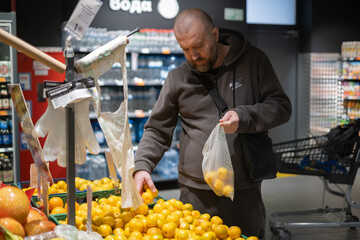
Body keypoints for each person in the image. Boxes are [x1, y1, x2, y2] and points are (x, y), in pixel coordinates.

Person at [133, 8, 292, 238]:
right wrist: (142, 165)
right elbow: (158, 129)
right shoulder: (177, 78)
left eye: (198, 46)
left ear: (215, 35)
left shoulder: (254, 61)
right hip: (195, 194)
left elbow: (281, 106)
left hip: (243, 190)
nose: (193, 56)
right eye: (185, 49)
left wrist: (245, 116)